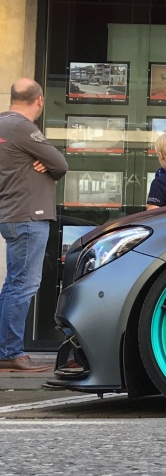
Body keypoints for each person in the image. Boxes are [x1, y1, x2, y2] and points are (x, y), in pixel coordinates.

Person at [0, 78, 67, 372]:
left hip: (11, 213)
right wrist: (44, 162)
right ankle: (10, 352)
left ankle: (6, 349)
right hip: (29, 216)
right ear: (39, 100)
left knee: (13, 285)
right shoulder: (24, 128)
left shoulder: (3, 124)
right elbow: (60, 164)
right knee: (23, 286)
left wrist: (37, 163)